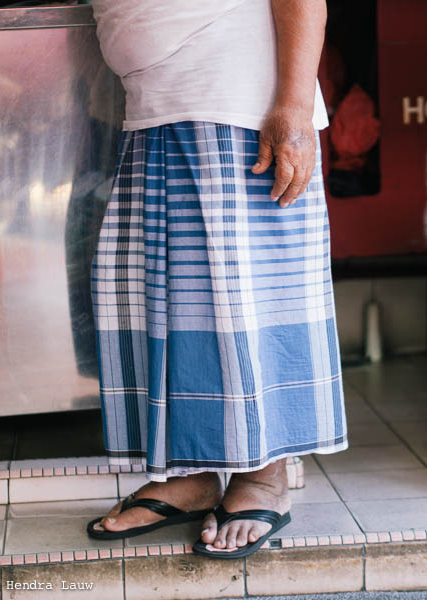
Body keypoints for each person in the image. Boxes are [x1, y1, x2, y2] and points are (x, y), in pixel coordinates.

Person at [86, 0, 348, 559]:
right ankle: (194, 475)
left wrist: (295, 107)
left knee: (244, 301)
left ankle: (263, 478)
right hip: (157, 103)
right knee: (174, 306)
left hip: (238, 102)